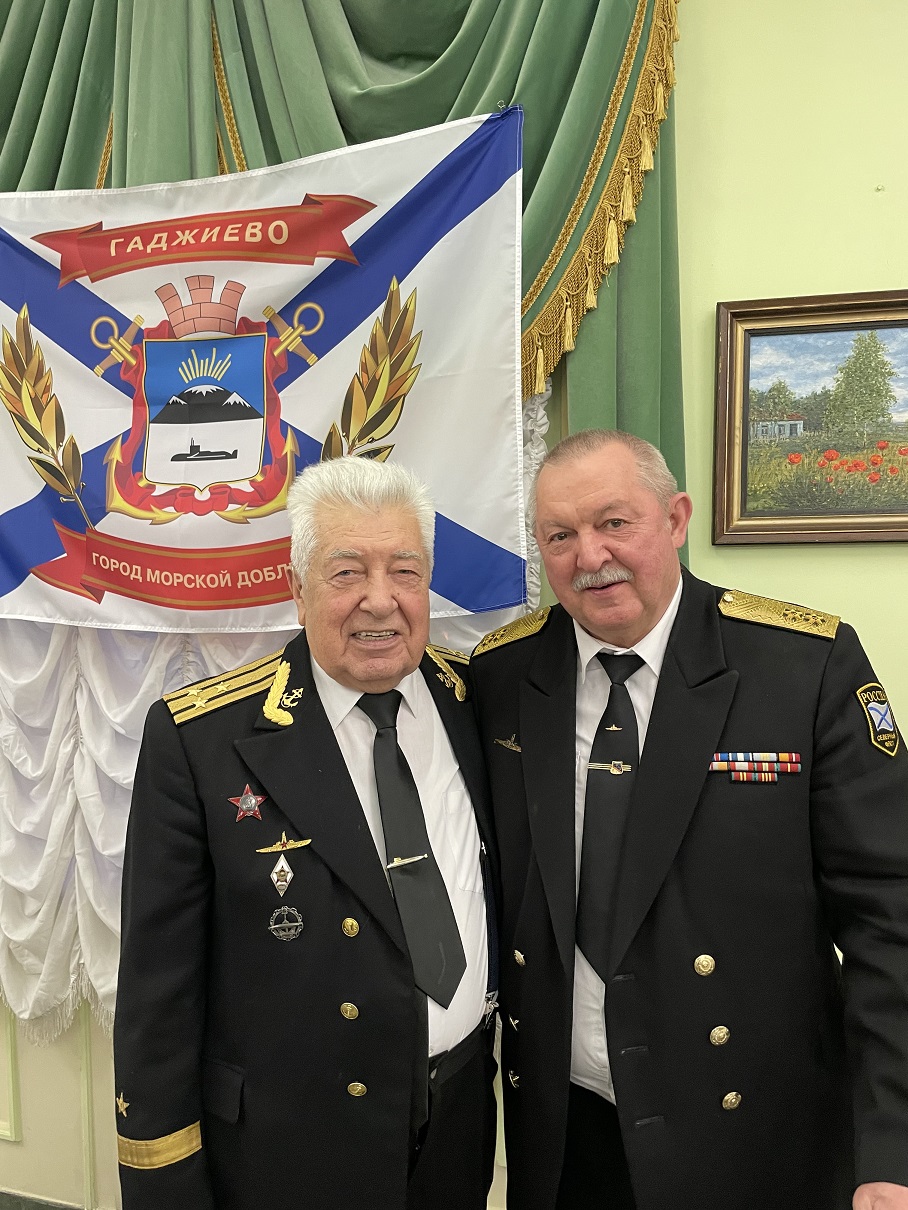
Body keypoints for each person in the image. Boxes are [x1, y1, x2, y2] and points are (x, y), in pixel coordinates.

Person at [469, 428, 908, 1210]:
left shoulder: (803, 665)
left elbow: (891, 919)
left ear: (675, 519)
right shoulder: (502, 673)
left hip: (754, 1131)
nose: (590, 555)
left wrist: (893, 1148)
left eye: (614, 522)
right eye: (560, 536)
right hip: (568, 1134)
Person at [114, 456, 499, 1210]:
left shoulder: (475, 700)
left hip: (455, 1133)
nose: (380, 601)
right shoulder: (202, 740)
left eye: (405, 572)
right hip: (288, 1151)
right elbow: (158, 1000)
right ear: (297, 590)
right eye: (346, 573)